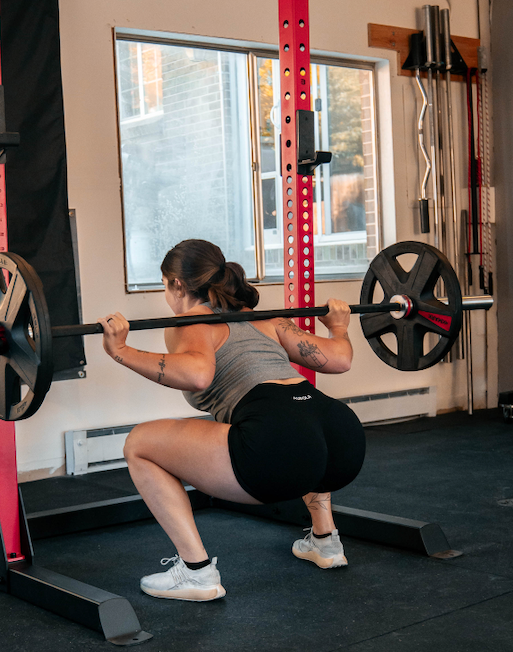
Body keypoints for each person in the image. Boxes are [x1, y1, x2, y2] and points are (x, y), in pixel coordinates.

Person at [98, 239, 366, 602]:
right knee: (295, 429)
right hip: (340, 436)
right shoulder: (266, 320)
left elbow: (197, 375)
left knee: (139, 445)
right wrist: (338, 327)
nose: (166, 295)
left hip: (278, 443)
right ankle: (325, 542)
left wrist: (121, 351)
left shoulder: (192, 320)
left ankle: (196, 573)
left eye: (165, 286)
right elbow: (339, 359)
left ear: (177, 284)